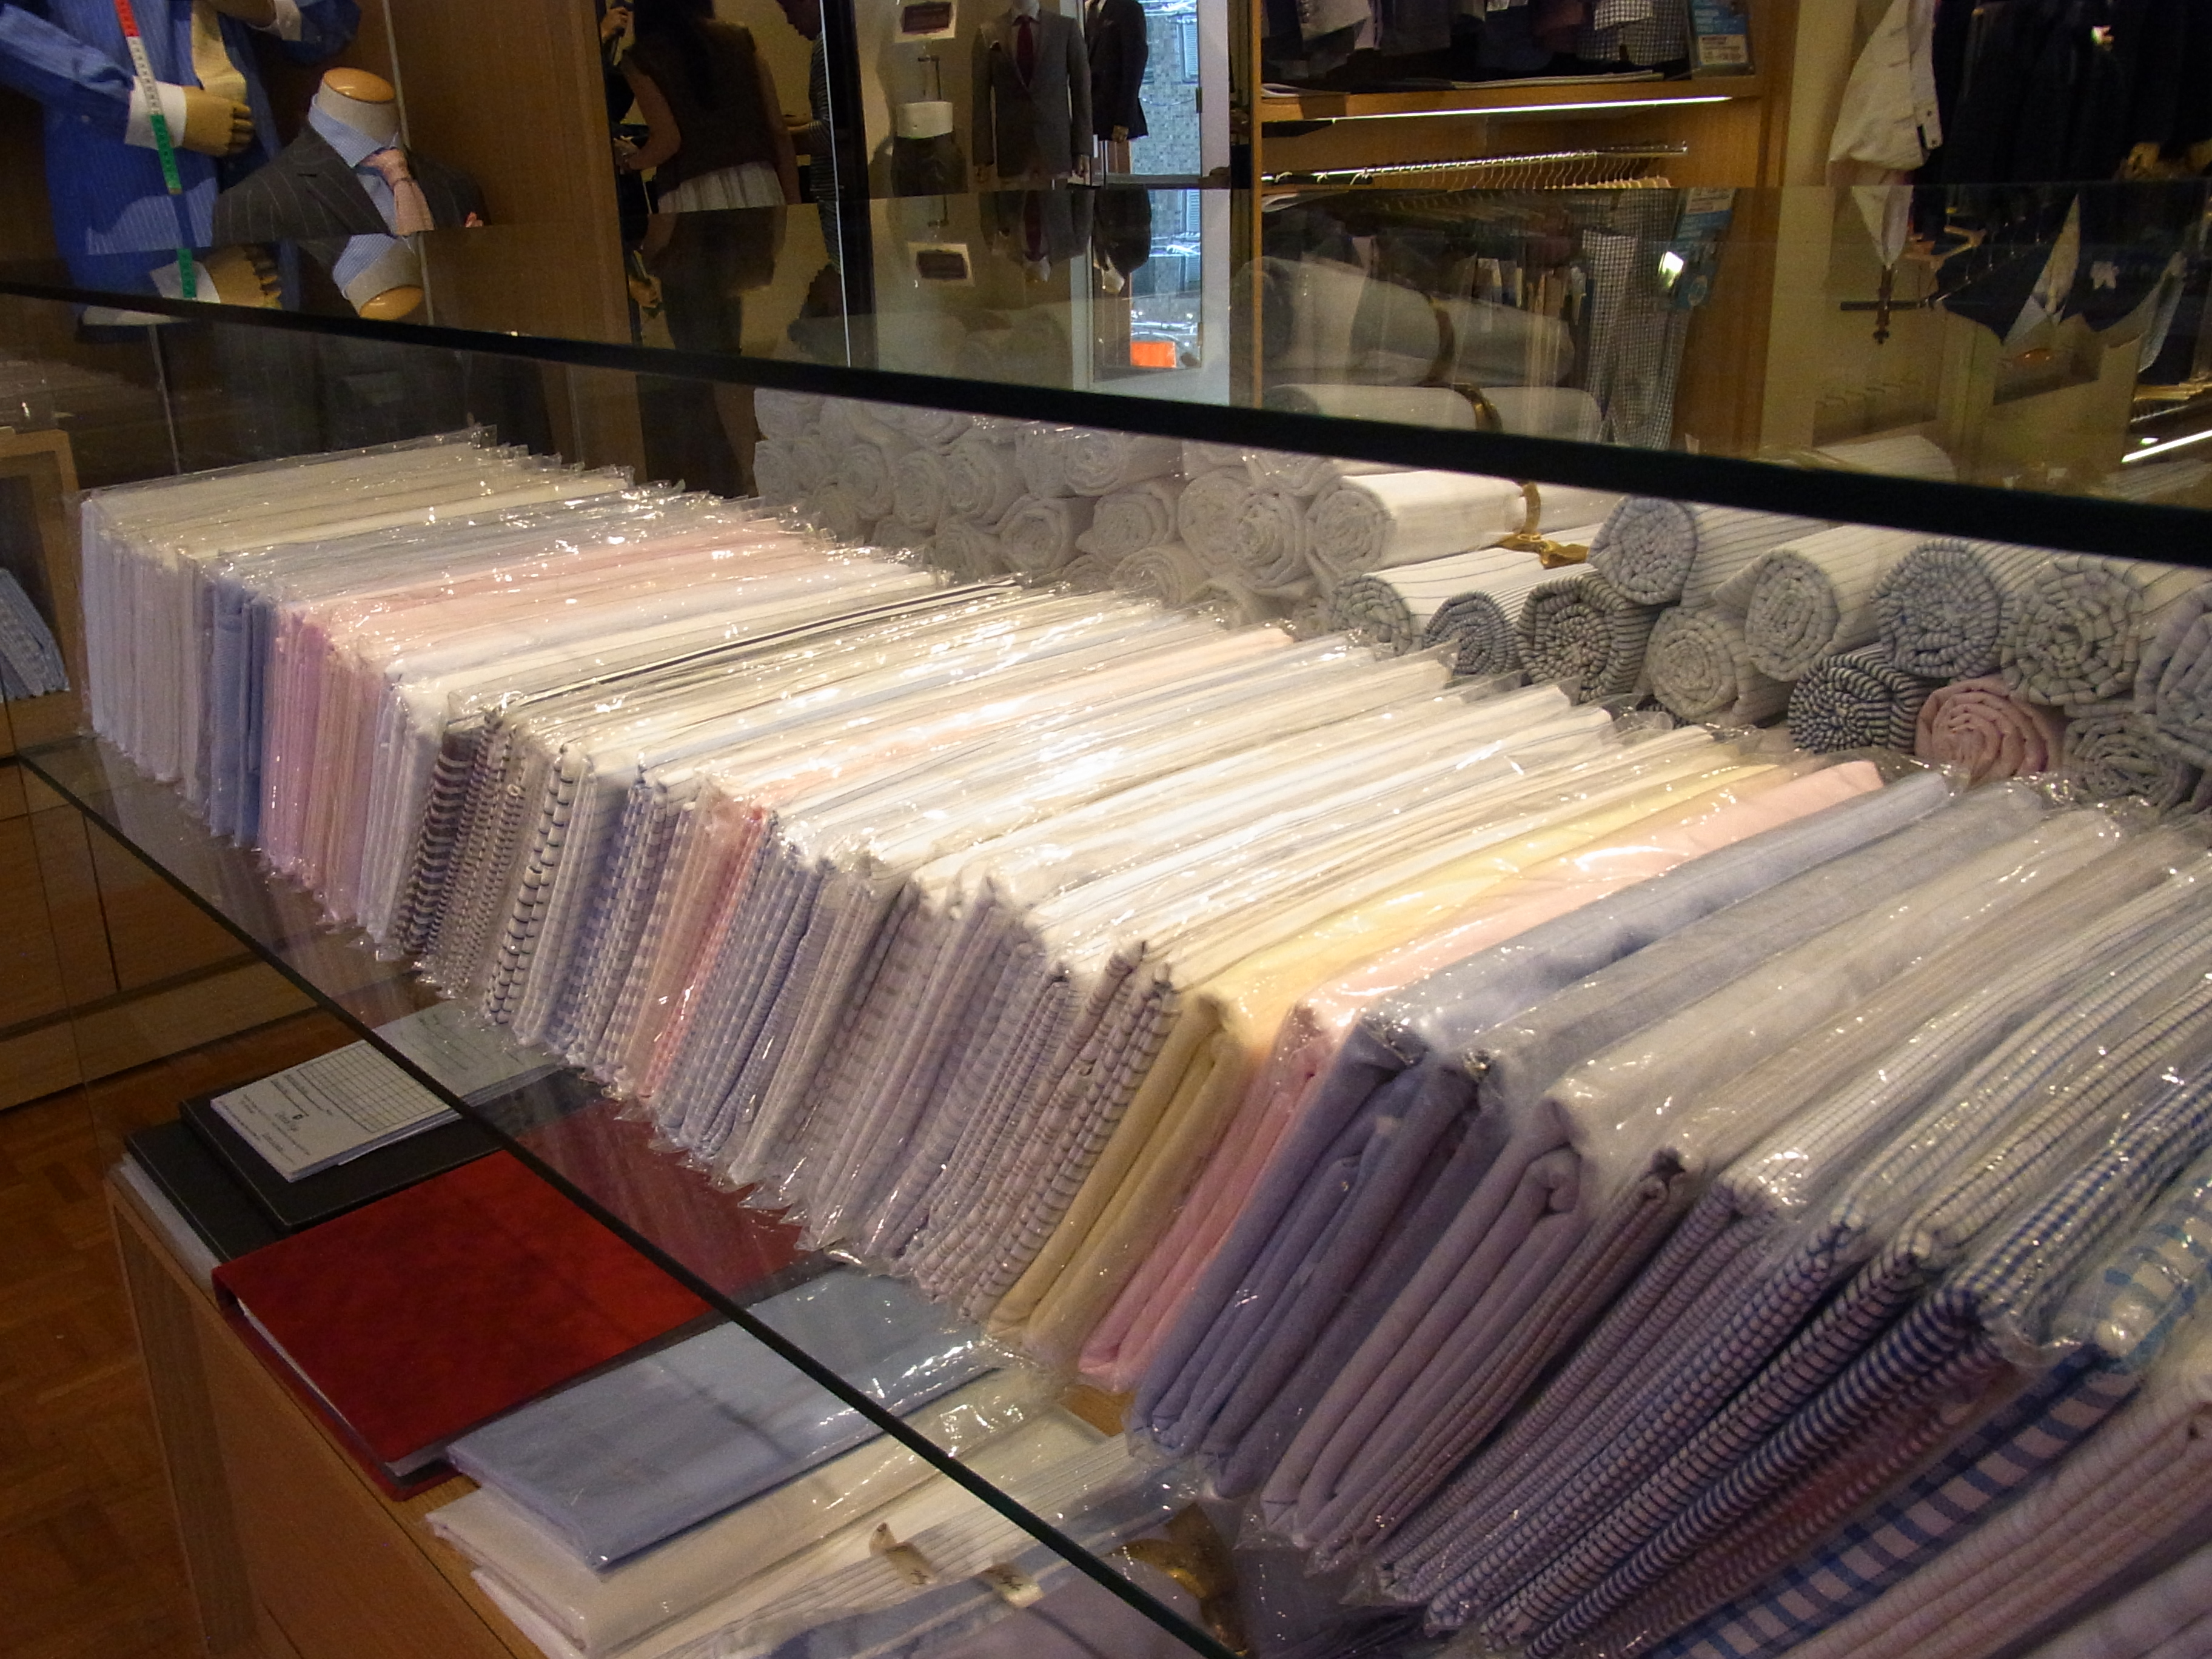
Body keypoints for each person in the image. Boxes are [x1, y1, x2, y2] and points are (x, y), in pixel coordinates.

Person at [0, 0, 360, 293]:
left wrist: (267, 9)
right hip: (132, 192)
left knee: (285, 350)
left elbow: (332, 22)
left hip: (259, 172)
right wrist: (144, 108)